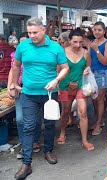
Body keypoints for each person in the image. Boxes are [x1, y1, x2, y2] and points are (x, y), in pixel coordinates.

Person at [10, 17, 69, 179]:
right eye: (29, 33)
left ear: (43, 30)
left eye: (35, 32)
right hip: (28, 94)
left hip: (49, 94)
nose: (32, 35)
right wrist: (14, 84)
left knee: (49, 124)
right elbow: (15, 66)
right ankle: (26, 163)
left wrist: (56, 80)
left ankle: (48, 150)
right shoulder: (23, 46)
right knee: (28, 126)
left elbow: (65, 68)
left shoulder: (55, 47)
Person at [56, 30, 94, 150]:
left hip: (81, 85)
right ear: (69, 41)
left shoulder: (86, 52)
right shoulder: (62, 52)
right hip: (65, 85)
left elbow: (89, 65)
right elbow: (57, 70)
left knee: (83, 112)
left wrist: (87, 69)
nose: (78, 45)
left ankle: (85, 140)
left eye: (80, 42)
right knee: (66, 111)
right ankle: (62, 132)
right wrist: (57, 86)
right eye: (75, 42)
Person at [7, 32, 41, 159]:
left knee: (36, 118)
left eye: (24, 42)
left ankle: (35, 140)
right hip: (19, 88)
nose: (21, 45)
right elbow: (12, 69)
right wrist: (11, 86)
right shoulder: (15, 55)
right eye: (19, 42)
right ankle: (24, 143)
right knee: (21, 119)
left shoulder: (37, 54)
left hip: (34, 89)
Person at [88, 21, 107, 136]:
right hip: (92, 73)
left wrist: (97, 49)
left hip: (102, 72)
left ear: (104, 32)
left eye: (99, 30)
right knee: (93, 98)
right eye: (95, 30)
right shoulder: (92, 42)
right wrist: (87, 69)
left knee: (99, 99)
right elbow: (89, 59)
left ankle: (98, 124)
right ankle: (100, 120)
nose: (97, 32)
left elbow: (105, 61)